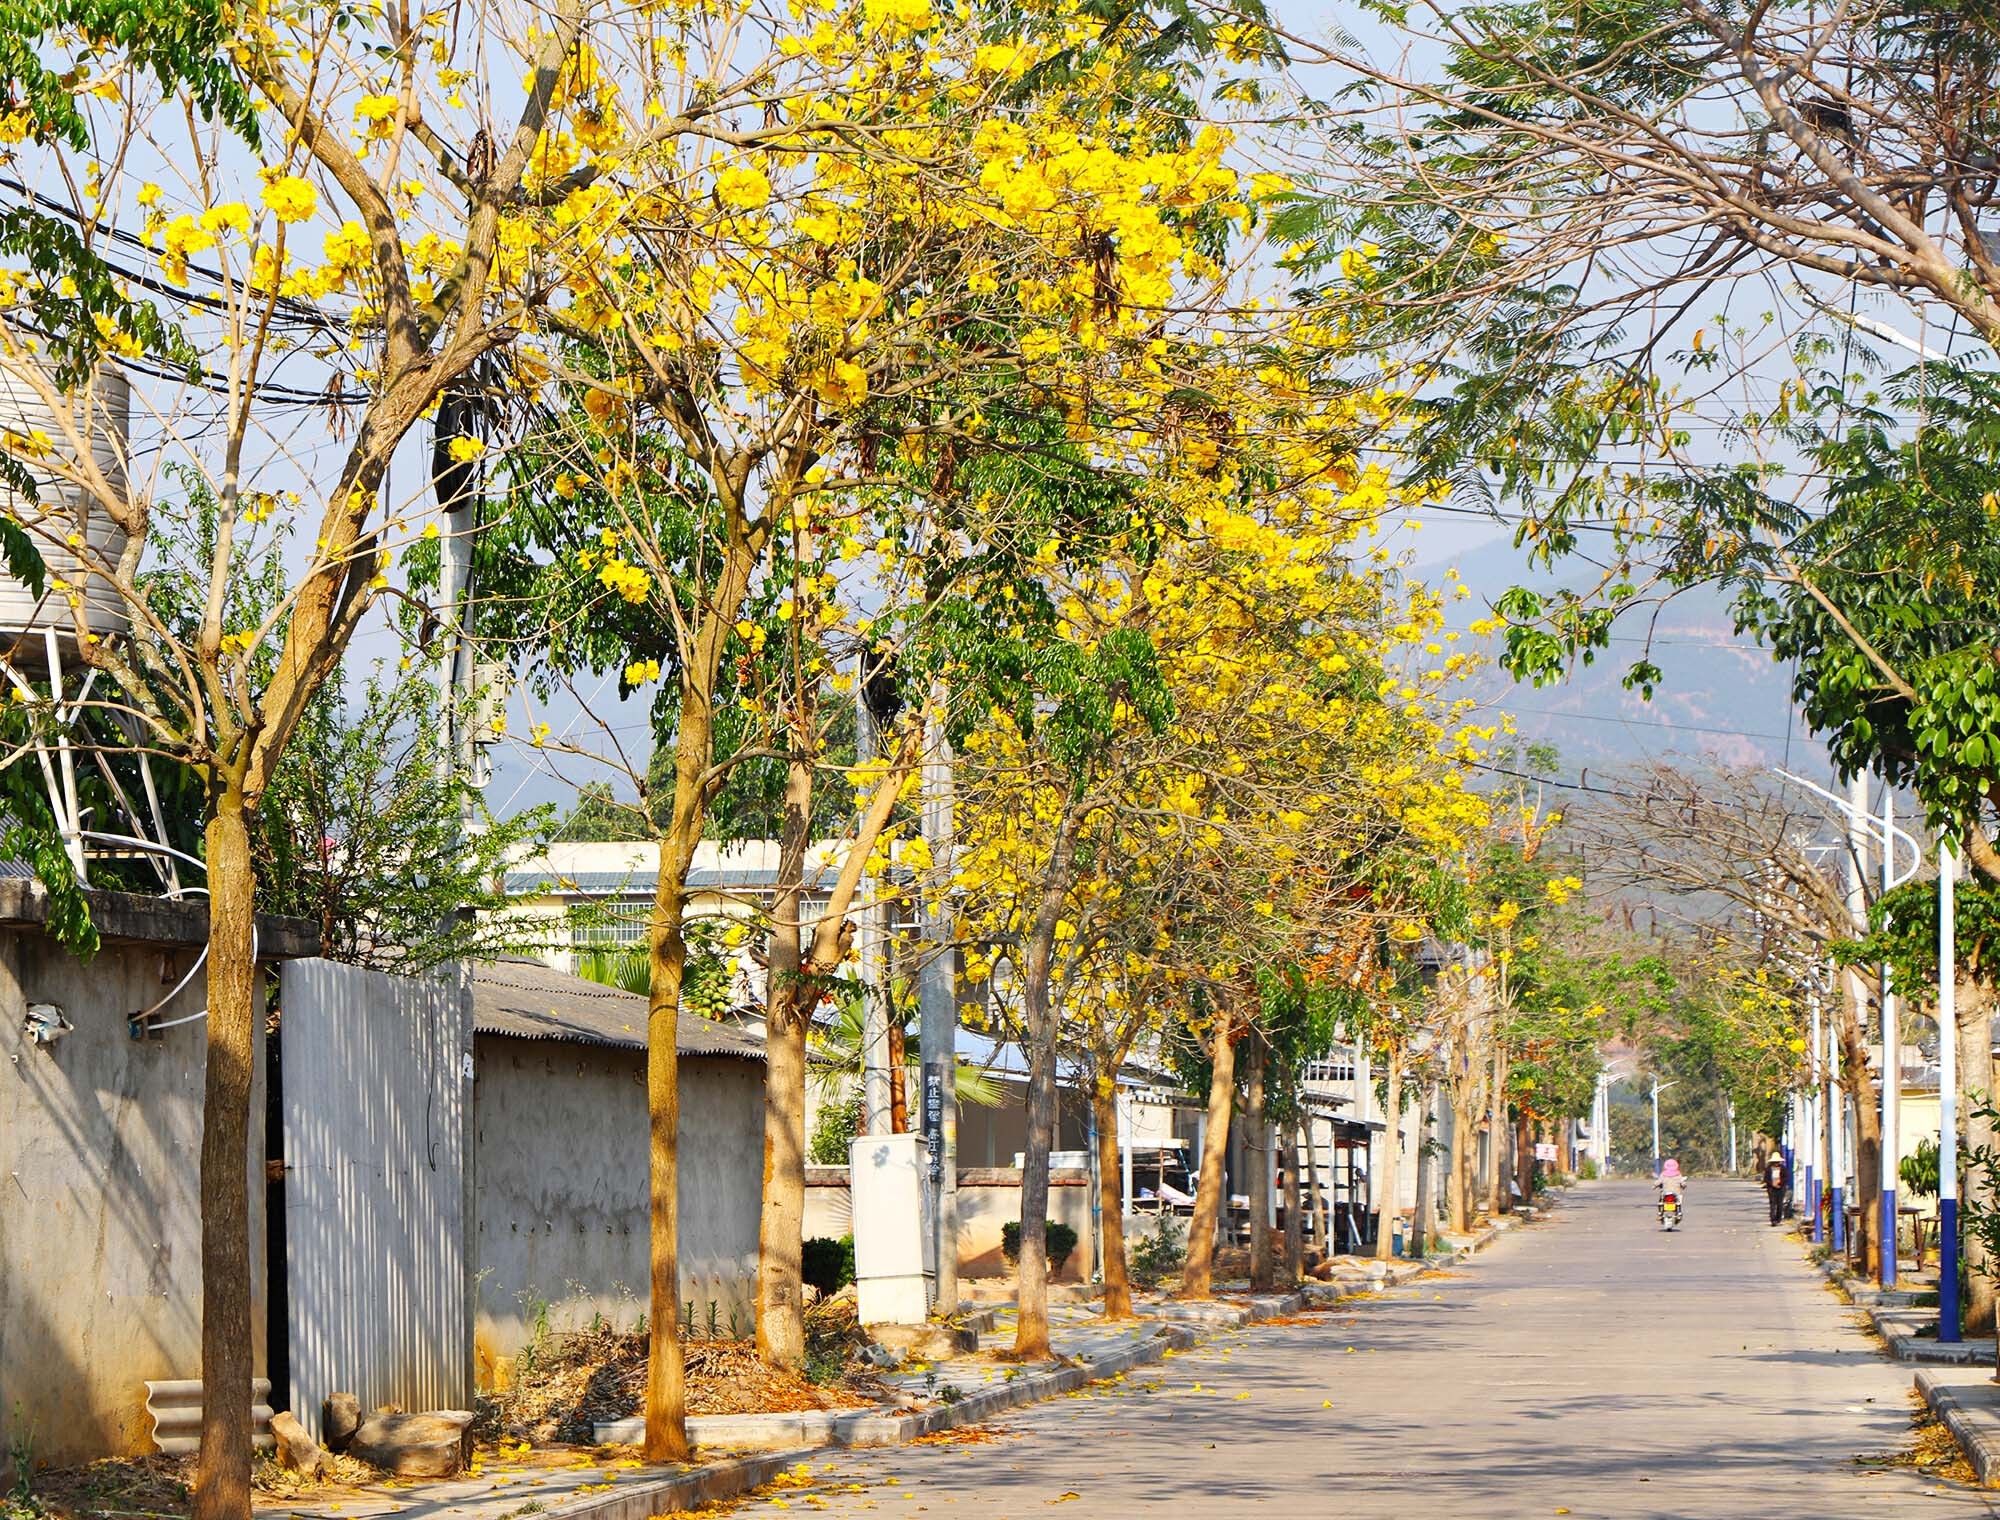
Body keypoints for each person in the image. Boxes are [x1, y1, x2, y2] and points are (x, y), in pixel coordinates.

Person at [1763, 1150, 1790, 1226]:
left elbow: (1786, 1178)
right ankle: (1773, 1219)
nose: (1776, 1163)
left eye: (1777, 1162)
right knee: (1772, 1204)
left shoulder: (1783, 1169)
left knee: (1780, 1204)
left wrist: (1780, 1183)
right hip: (1771, 1189)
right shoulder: (1768, 1169)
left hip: (1781, 1188)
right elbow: (1766, 1178)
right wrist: (1772, 1184)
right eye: (1775, 1162)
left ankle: (1778, 1218)